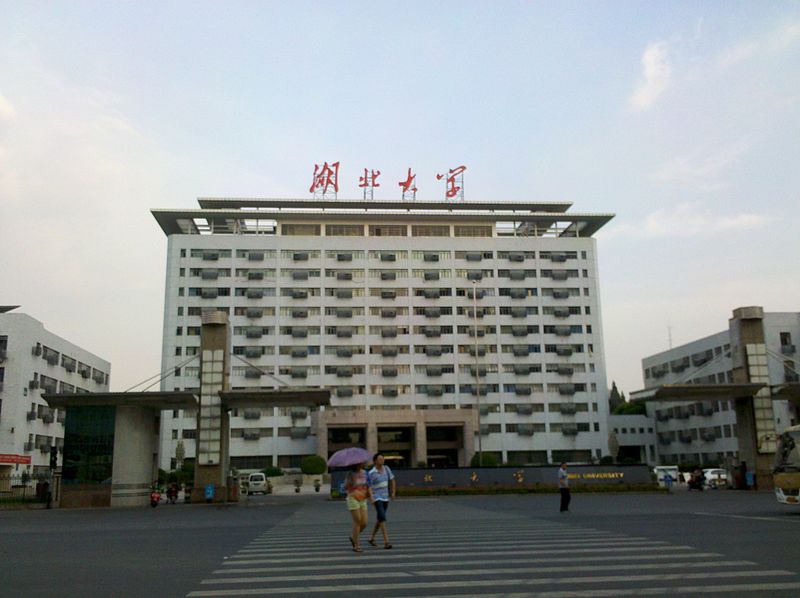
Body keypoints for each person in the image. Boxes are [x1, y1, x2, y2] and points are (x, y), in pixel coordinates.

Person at [366, 453, 396, 549]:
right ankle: (386, 541)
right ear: (375, 461)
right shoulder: (372, 473)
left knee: (380, 518)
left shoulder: (386, 468)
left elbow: (392, 480)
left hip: (385, 496)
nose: (382, 461)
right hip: (377, 497)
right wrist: (371, 497)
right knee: (382, 517)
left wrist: (393, 492)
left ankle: (371, 537)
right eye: (379, 459)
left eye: (383, 459)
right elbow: (369, 486)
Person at [344, 462, 372, 553]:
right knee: (358, 521)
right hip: (353, 497)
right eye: (360, 463)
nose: (361, 464)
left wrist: (370, 497)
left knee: (364, 523)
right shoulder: (350, 474)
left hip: (363, 498)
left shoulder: (365, 473)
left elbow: (368, 485)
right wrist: (351, 482)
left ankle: (353, 537)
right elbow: (345, 486)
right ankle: (356, 545)